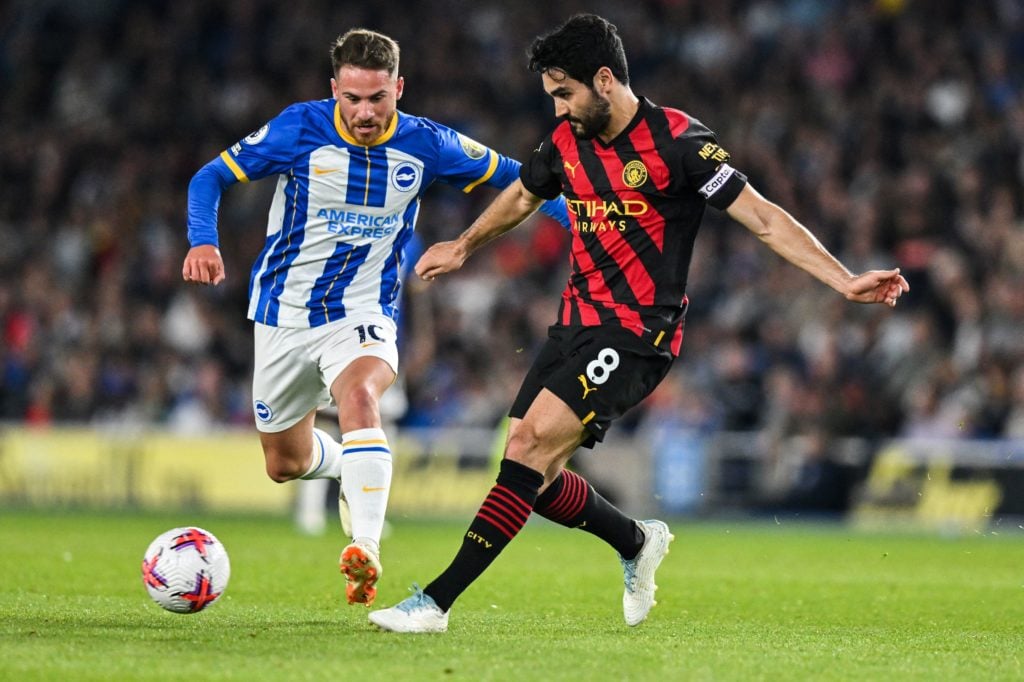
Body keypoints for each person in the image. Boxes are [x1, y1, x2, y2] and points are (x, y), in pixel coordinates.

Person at [368, 13, 909, 633]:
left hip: (637, 334)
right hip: (574, 323)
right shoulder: (566, 143)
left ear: (604, 80)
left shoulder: (681, 143)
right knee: (532, 478)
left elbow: (761, 217)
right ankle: (634, 541)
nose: (559, 111)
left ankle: (434, 604)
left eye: (565, 95)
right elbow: (525, 193)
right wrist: (464, 245)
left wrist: (843, 280)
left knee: (523, 446)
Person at [181, 28, 568, 607]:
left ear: (398, 89)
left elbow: (525, 180)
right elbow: (208, 176)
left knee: (361, 395)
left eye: (378, 98)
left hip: (363, 310)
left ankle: (364, 547)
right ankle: (346, 469)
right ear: (334, 89)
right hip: (282, 313)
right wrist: (203, 241)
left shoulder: (428, 143)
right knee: (284, 464)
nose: (365, 112)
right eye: (353, 98)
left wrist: (586, 223)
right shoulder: (298, 128)